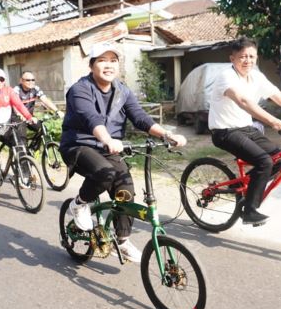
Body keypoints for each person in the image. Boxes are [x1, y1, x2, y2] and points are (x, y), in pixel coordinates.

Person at [59, 43, 186, 263]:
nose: (109, 65)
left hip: (108, 148)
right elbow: (91, 118)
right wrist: (108, 139)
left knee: (125, 189)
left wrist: (166, 135)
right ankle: (79, 203)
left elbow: (140, 118)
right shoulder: (80, 89)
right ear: (92, 65)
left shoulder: (122, 91)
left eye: (113, 60)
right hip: (79, 145)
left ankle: (123, 240)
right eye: (102, 60)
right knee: (105, 172)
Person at [208, 37, 281, 226]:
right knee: (264, 161)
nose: (247, 61)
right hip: (225, 131)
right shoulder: (226, 77)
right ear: (232, 59)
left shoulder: (256, 76)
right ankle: (249, 211)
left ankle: (251, 185)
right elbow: (244, 101)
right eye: (242, 57)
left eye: (251, 56)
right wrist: (276, 122)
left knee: (280, 159)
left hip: (246, 128)